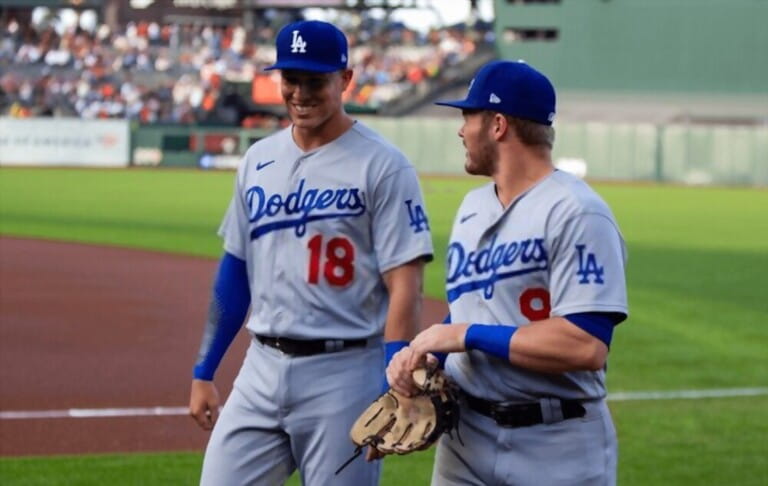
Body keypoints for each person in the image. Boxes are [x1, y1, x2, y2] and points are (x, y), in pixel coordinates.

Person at [188, 20, 433, 486]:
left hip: (345, 373)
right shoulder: (258, 159)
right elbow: (235, 271)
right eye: (291, 79)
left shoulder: (383, 165)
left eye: (315, 81)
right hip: (260, 367)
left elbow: (405, 284)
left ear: (345, 79)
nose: (300, 93)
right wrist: (205, 368)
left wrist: (392, 379)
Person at [386, 60, 629, 485]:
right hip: (465, 440)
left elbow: (586, 344)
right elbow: (472, 306)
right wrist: (426, 354)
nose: (461, 130)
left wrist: (465, 335)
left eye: (468, 116)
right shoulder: (472, 207)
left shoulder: (577, 212)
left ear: (497, 125)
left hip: (556, 445)